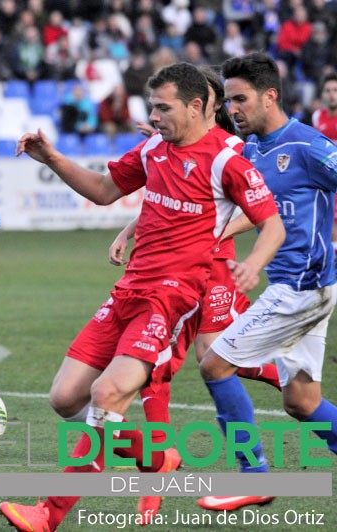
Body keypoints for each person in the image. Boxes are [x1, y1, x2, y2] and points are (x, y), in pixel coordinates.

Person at [0, 62, 284, 532]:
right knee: (65, 397)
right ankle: (158, 458)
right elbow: (106, 189)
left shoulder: (227, 160)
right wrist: (53, 158)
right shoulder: (155, 148)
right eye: (151, 107)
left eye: (162, 108)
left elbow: (271, 222)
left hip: (171, 300)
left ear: (195, 107)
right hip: (128, 291)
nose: (153, 117)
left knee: (107, 395)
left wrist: (252, 264)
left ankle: (49, 512)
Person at [108, 65, 281, 523]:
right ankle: (157, 482)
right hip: (176, 274)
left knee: (214, 358)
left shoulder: (234, 152)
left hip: (215, 271)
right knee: (164, 368)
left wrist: (217, 232)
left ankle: (283, 380)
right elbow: (163, 201)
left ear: (203, 104)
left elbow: (260, 210)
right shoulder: (177, 147)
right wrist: (130, 230)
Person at [197, 51, 337, 512]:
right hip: (305, 286)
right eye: (228, 100)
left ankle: (254, 475)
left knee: (215, 365)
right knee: (301, 401)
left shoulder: (308, 145)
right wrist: (208, 236)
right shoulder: (253, 151)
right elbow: (256, 213)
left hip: (301, 286)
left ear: (270, 96)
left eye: (240, 99)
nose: (232, 109)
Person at [311, 74, 337, 257]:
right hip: (325, 181)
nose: (332, 95)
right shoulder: (317, 116)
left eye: (335, 90)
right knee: (328, 231)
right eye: (328, 91)